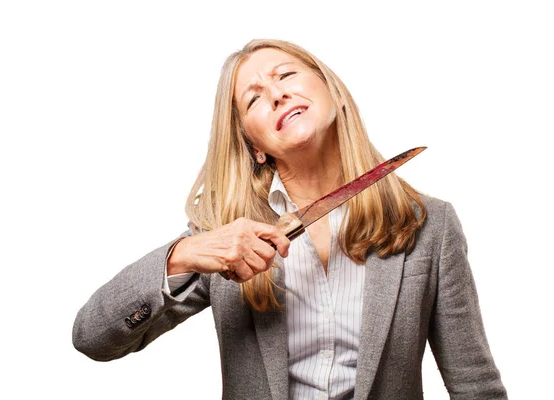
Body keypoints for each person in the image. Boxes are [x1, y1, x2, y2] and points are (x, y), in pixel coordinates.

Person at [72, 39, 508, 399]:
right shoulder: (228, 236)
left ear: (333, 92)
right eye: (254, 97)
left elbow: (474, 384)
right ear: (254, 144)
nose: (276, 93)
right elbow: (93, 337)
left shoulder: (430, 224)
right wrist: (185, 254)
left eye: (285, 76)